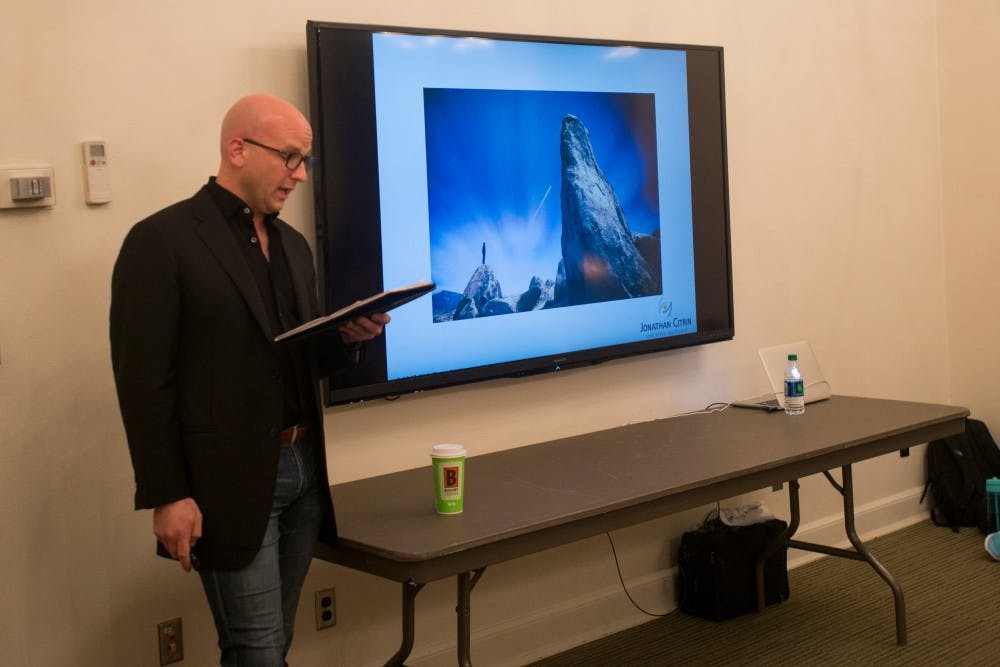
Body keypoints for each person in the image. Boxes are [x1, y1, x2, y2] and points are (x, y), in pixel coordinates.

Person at [110, 93, 389, 666]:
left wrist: (346, 339)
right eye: (290, 157)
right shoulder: (161, 241)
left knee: (269, 646)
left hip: (305, 473)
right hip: (228, 486)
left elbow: (295, 360)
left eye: (305, 161)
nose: (300, 175)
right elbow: (143, 382)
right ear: (237, 148)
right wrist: (167, 494)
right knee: (258, 652)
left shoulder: (293, 245)